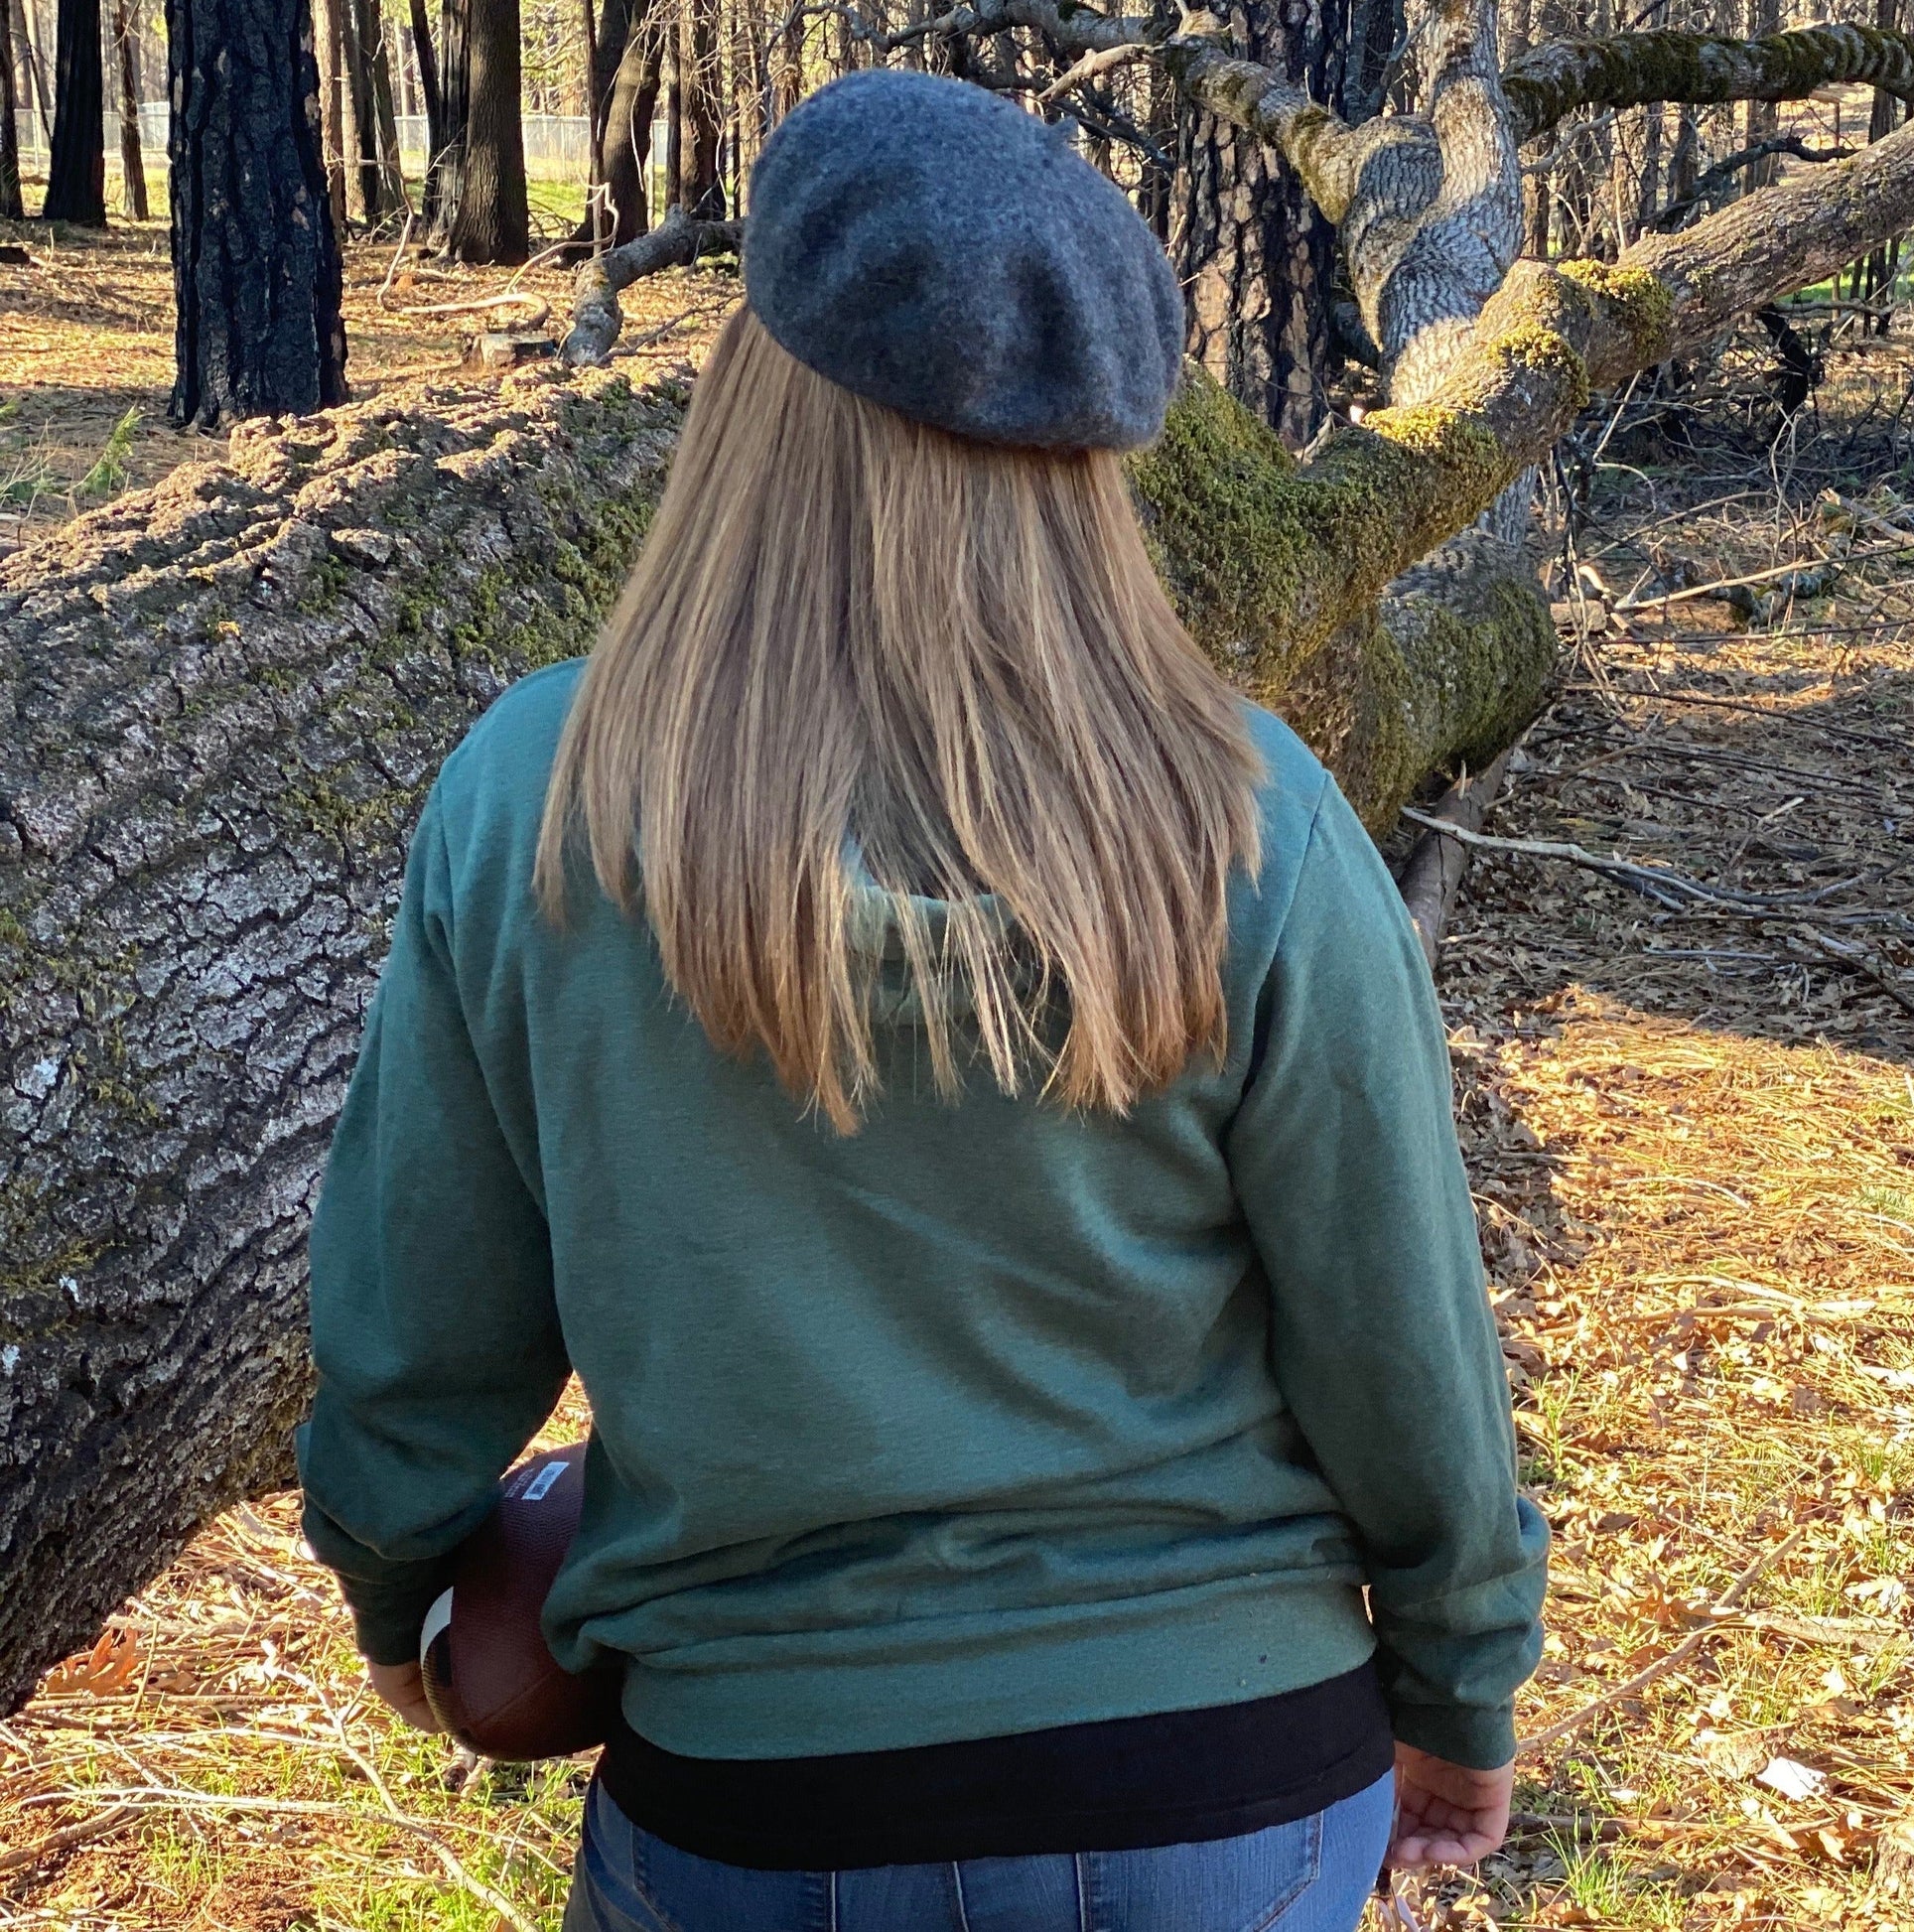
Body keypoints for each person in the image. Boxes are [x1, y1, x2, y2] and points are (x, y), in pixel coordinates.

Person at [298, 68, 1548, 1932]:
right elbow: (1400, 1327)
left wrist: (398, 1584)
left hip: (759, 1798)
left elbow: (418, 1306)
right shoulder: (1246, 813)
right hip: (1227, 1785)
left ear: (751, 391)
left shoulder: (540, 799)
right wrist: (1457, 1676)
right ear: (1094, 463)